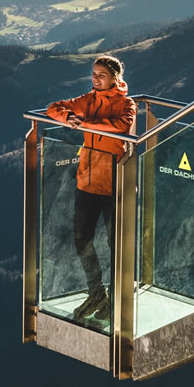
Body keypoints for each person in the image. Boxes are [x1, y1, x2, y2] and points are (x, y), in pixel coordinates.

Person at [45, 55, 133, 325]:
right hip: (87, 181)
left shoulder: (125, 104)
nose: (95, 78)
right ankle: (97, 293)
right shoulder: (88, 100)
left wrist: (83, 124)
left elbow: (119, 127)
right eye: (93, 73)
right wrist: (69, 116)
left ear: (115, 78)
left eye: (101, 75)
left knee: (116, 245)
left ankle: (119, 299)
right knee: (81, 239)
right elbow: (53, 107)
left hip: (114, 183)